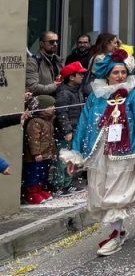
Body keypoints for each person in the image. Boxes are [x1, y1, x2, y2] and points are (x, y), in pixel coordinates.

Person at [60, 49, 135, 257]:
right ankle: (117, 229)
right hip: (99, 151)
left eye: (122, 72)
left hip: (124, 152)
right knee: (100, 192)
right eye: (115, 73)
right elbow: (84, 123)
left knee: (116, 193)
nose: (120, 76)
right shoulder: (96, 96)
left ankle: (115, 234)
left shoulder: (133, 95)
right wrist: (76, 152)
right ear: (107, 75)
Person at [52, 62, 88, 194]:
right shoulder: (64, 93)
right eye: (80, 74)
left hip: (75, 129)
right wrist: (67, 130)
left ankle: (67, 182)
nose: (82, 76)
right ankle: (59, 185)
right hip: (66, 132)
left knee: (71, 157)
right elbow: (62, 113)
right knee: (63, 159)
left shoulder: (76, 90)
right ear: (71, 77)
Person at [23, 95, 57, 204]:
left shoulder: (48, 120)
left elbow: (51, 139)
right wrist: (36, 153)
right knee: (34, 173)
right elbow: (33, 139)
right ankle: (31, 193)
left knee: (42, 173)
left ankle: (39, 190)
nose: (53, 108)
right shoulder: (35, 122)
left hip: (46, 155)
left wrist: (53, 152)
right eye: (50, 106)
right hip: (35, 157)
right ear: (42, 107)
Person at [29, 32, 63, 97]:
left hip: (58, 99)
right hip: (42, 103)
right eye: (51, 42)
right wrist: (54, 86)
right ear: (41, 44)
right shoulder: (33, 62)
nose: (55, 44)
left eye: (57, 41)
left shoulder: (58, 60)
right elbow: (33, 87)